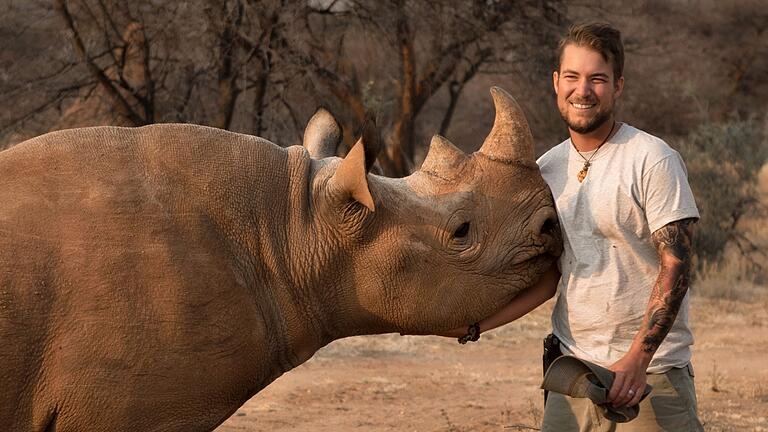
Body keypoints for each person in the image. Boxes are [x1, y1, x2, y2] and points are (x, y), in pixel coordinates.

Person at [446, 22, 703, 431]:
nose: (582, 90)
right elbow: (551, 276)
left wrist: (638, 360)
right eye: (572, 77)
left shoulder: (652, 159)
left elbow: (677, 266)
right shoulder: (547, 170)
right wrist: (475, 326)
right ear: (556, 82)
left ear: (618, 86)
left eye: (597, 79)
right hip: (573, 373)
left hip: (650, 378)